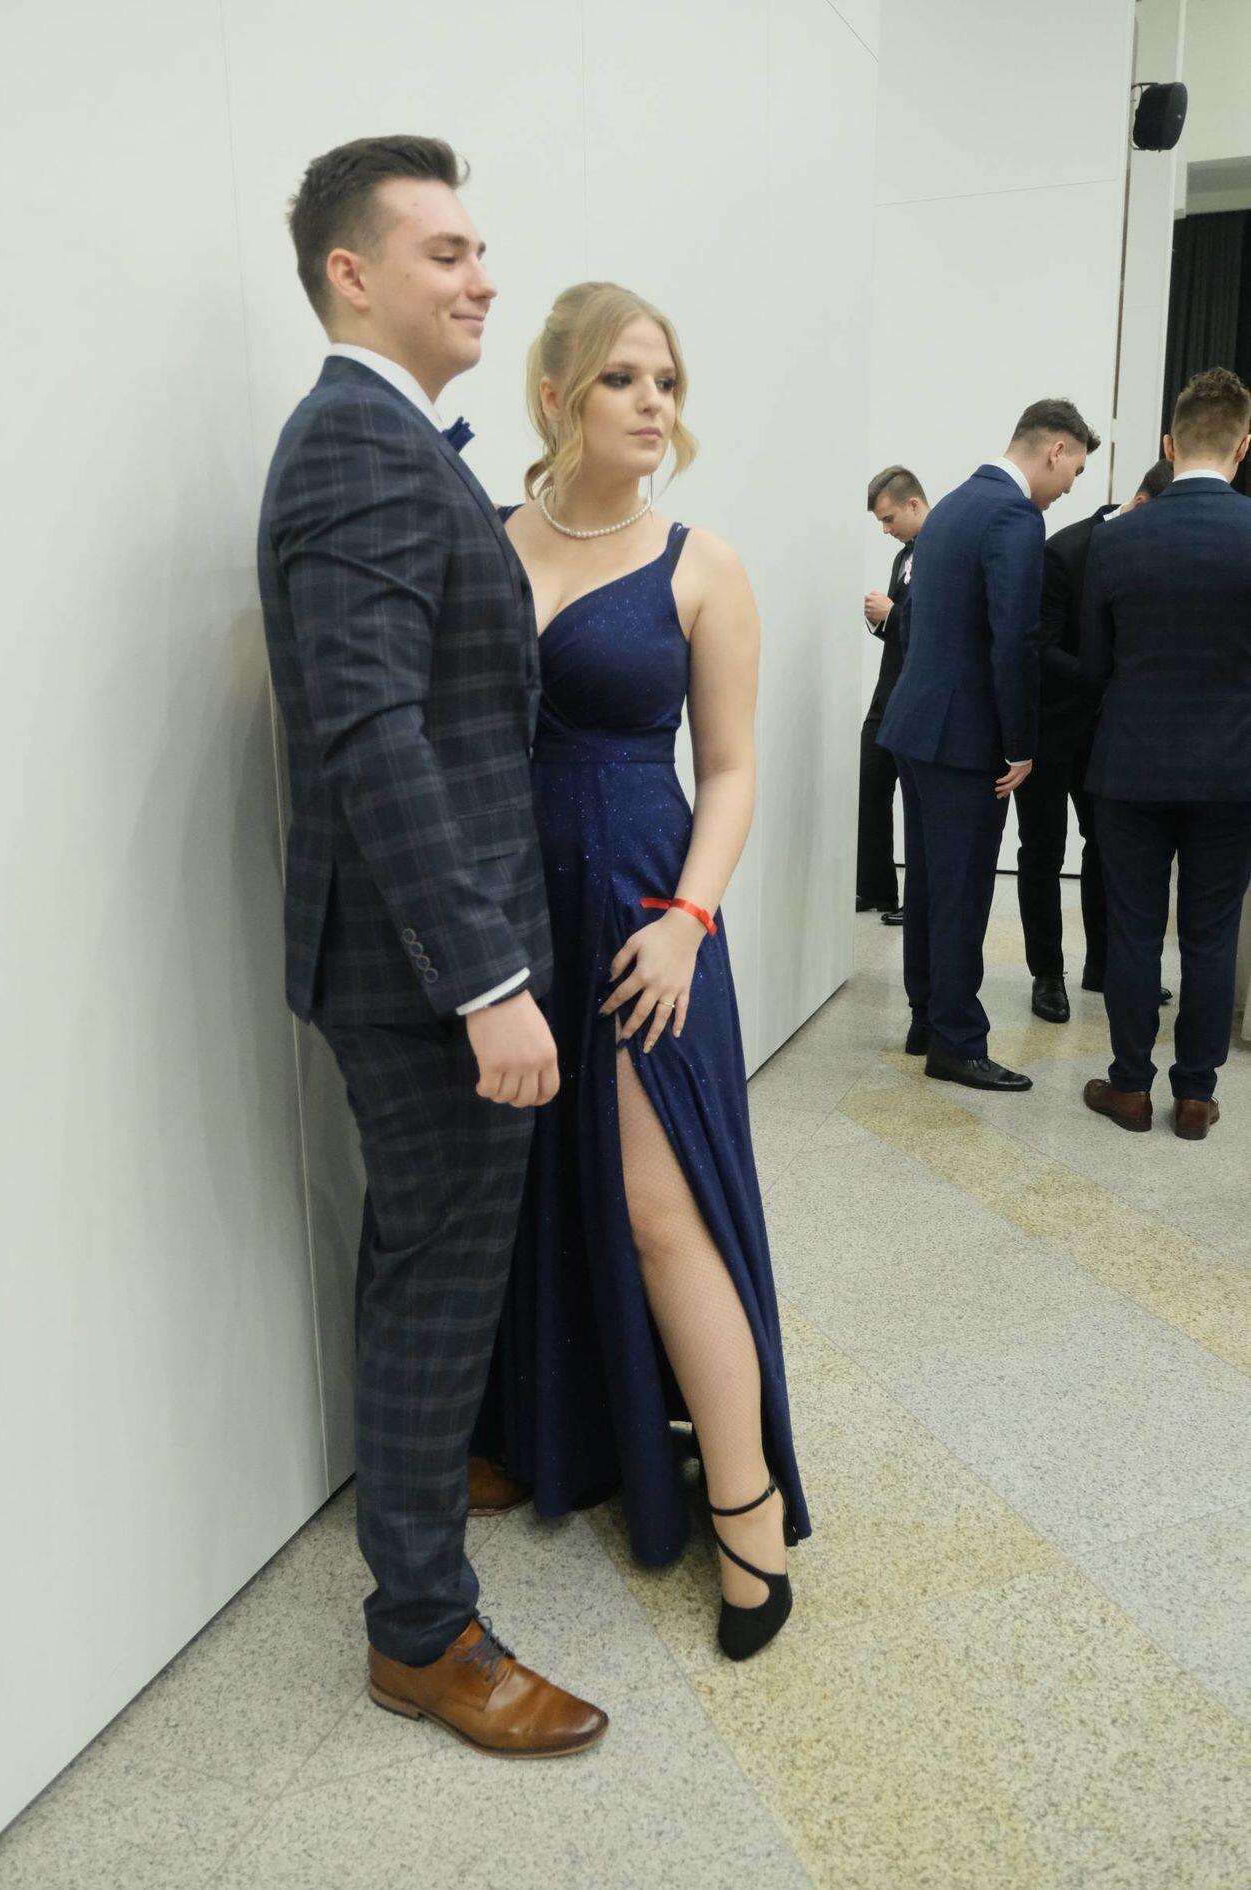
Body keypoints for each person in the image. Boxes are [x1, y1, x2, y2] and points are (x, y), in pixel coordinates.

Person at [257, 135, 606, 1757]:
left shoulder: (391, 439)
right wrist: (485, 982)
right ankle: (421, 1634)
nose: (483, 278)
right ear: (353, 274)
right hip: (421, 972)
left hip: (419, 952)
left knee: (427, 1260)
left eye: (481, 251)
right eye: (447, 253)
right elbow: (372, 738)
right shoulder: (356, 443)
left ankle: (422, 1470)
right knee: (439, 1277)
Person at [472, 282, 809, 1662]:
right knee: (531, 1186)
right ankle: (569, 1431)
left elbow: (728, 770)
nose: (654, 402)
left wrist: (688, 919)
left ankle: (748, 1507)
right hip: (515, 909)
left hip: (640, 909)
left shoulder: (700, 562)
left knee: (664, 1211)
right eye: (623, 377)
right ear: (555, 394)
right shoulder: (486, 541)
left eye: (666, 379)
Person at [877, 398, 1098, 1091]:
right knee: (963, 892)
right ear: (1055, 449)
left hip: (916, 725)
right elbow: (1016, 638)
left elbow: (917, 621)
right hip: (965, 738)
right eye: (1075, 470)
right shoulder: (1013, 516)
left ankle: (926, 1018)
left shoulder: (950, 506)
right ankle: (957, 1041)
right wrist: (1020, 743)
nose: (1070, 488)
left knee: (930, 884)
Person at [1081, 368, 1251, 1140]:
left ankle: (1128, 1087)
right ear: (1243, 448)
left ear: (1168, 444)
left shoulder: (1116, 538)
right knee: (1211, 936)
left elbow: (1095, 664)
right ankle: (1195, 1096)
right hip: (1234, 770)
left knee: (1134, 930)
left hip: (1130, 766)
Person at [1018, 459, 1174, 1023]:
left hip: (1108, 732)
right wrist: (1103, 676)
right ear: (1141, 505)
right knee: (1043, 850)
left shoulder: (1152, 554)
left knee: (1107, 847)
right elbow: (1039, 646)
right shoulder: (1065, 551)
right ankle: (1047, 974)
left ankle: (1103, 966)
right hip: (1048, 727)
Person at [856, 466, 929, 926]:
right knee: (870, 782)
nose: (885, 529)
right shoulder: (904, 555)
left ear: (913, 504)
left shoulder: (942, 550)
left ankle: (916, 902)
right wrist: (883, 619)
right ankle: (876, 887)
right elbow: (902, 629)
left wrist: (893, 613)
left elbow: (937, 628)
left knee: (918, 804)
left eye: (888, 519)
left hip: (917, 694)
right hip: (889, 691)